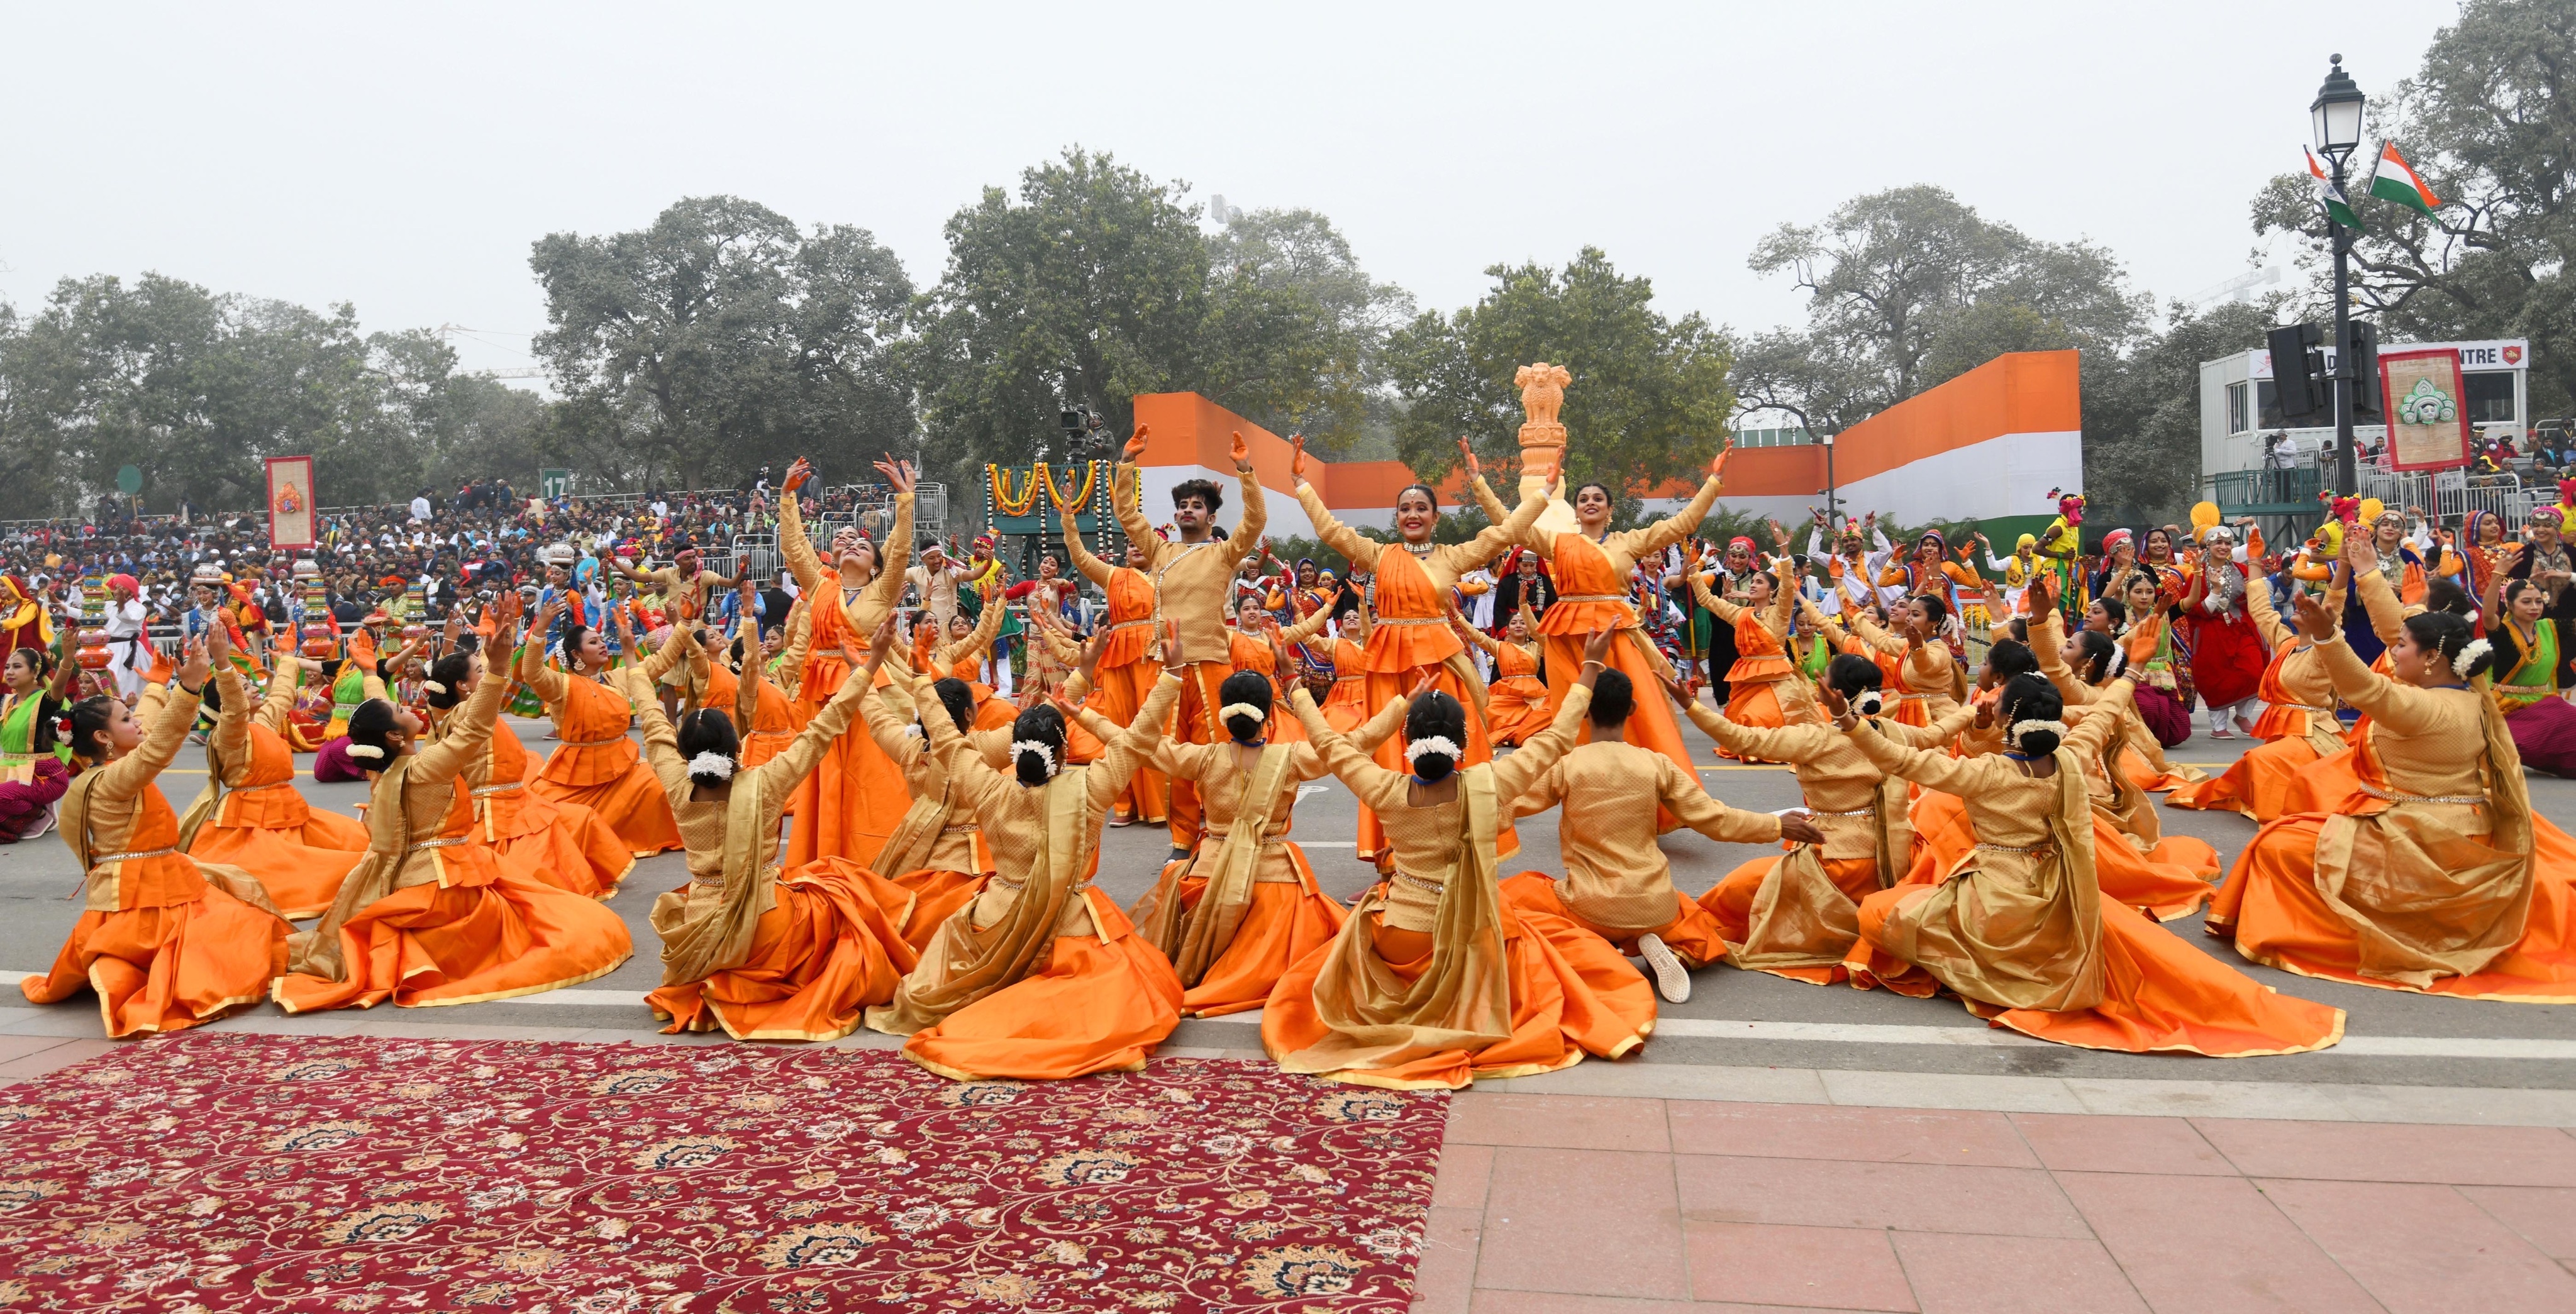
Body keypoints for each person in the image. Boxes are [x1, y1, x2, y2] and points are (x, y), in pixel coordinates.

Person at [1834, 671, 2346, 1054]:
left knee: (1878, 913)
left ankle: (1983, 973)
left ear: (2009, 719)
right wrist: (2127, 677)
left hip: (1994, 899)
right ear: (2056, 720)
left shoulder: (1986, 773)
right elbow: (2102, 716)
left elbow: (1902, 760)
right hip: (2060, 892)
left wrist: (1850, 723)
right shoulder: (2071, 759)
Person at [1265, 630, 1655, 1089]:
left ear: (1407, 739)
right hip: (1468, 936)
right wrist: (1589, 666)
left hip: (1401, 938)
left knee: (1338, 949)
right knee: (1544, 941)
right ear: (1465, 739)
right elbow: (1557, 736)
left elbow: (1331, 744)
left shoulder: (1385, 790)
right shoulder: (1489, 783)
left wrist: (1292, 680)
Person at [2218, 553, 2576, 1002]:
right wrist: (2369, 580)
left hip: (2417, 835)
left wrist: (2330, 636)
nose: (2393, 650)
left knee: (2278, 847)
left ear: (2430, 659)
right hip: (2446, 825)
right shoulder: (2472, 699)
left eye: (2402, 646)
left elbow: (2362, 688)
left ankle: (2332, 938)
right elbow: (2393, 645)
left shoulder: (2421, 707)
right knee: (2297, 822)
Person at [274, 607, 635, 1012]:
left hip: (414, 873)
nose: (410, 707)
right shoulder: (428, 765)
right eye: (401, 711)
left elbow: (378, 700)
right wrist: (498, 671)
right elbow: (475, 729)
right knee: (559, 924)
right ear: (395, 735)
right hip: (443, 881)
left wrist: (375, 671)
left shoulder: (384, 768)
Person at [863, 634, 1185, 1081]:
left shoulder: (986, 785)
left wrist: (921, 680)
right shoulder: (1089, 791)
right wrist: (1170, 677)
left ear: (1010, 753)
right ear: (1065, 752)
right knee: (1145, 982)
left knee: (945, 950)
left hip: (994, 921)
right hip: (1068, 923)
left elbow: (947, 739)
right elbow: (1137, 739)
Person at [636, 617, 919, 1041]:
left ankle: (721, 982)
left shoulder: (676, 782)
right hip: (765, 923)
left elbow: (651, 716)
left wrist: (632, 657)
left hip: (700, 930)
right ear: (738, 745)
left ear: (682, 751)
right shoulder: (766, 782)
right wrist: (872, 660)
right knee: (840, 889)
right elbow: (828, 725)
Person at [24, 632, 292, 1035]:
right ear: (103, 738)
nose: (137, 723)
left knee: (251, 923)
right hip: (143, 894)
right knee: (234, 941)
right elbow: (161, 746)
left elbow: (151, 725)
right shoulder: (114, 778)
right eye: (126, 720)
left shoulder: (113, 768)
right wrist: (187, 687)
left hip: (168, 878)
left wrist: (155, 685)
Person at [1501, 665, 1821, 1003]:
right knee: (1692, 915)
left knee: (1515, 896)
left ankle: (1597, 950)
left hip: (1589, 903)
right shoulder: (1656, 764)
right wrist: (1776, 825)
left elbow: (1508, 803)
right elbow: (1715, 819)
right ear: (1633, 710)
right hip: (1654, 904)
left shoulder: (1567, 764)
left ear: (1583, 713)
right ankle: (1673, 951)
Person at [1295, 437, 1548, 861]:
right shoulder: (1379, 554)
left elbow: (1507, 531)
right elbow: (1330, 530)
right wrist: (1301, 483)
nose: (1413, 514)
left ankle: (1460, 850)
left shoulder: (1452, 556)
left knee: (1455, 750)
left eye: (1421, 508)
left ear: (1435, 517)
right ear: (1397, 517)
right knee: (1391, 759)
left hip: (1441, 665)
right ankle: (1394, 859)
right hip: (1389, 668)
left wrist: (1505, 486)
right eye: (1405, 509)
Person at [1670, 656, 1976, 985]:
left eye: (1824, 678)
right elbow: (1936, 734)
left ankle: (1685, 950)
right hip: (1891, 863)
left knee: (1733, 894)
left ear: (1834, 693)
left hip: (1833, 862)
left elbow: (1742, 739)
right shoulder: (1891, 731)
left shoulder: (1816, 738)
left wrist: (1690, 705)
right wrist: (1975, 710)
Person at [1468, 438, 1725, 791]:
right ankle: (1583, 785)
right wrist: (1479, 483)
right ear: (1575, 510)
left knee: (1636, 708)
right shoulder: (1559, 543)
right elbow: (1510, 524)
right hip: (1568, 638)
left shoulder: (1629, 541)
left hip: (1614, 634)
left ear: (1610, 509)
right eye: (1583, 499)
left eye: (1597, 499)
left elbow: (1682, 523)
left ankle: (1641, 785)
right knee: (1573, 713)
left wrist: (1713, 482)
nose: (1590, 503)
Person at [1125, 654, 1352, 1017]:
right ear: (1269, 712)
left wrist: (1168, 678)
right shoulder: (1292, 758)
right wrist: (1294, 682)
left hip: (1208, 877)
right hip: (1275, 882)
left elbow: (1135, 740)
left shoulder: (1201, 758)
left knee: (1175, 885)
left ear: (1224, 711)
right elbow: (1342, 745)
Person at [1108, 428, 1265, 853]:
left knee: (1217, 757)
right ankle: (1181, 842)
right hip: (1168, 670)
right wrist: (1127, 461)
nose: (1188, 510)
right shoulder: (1160, 553)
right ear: (1176, 516)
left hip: (1212, 664)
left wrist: (1245, 471)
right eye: (1182, 505)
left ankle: (1222, 834)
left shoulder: (1224, 553)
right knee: (1174, 760)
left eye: (1197, 505)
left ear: (1211, 517)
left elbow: (1255, 522)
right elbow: (1126, 513)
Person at [774, 456, 917, 868]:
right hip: (822, 692)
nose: (854, 546)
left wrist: (904, 499)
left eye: (864, 546)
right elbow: (795, 546)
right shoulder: (818, 585)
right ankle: (827, 855)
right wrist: (787, 497)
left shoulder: (882, 591)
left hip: (872, 691)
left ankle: (879, 855)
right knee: (828, 776)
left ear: (876, 566)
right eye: (848, 544)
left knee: (873, 774)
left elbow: (902, 547)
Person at [177, 648, 371, 919]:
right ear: (227, 702)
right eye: (245, 688)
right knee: (281, 873)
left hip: (291, 810)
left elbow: (281, 696)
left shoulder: (262, 721)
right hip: (251, 820)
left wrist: (289, 661)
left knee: (361, 844)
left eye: (249, 684)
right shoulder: (231, 734)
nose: (254, 688)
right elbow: (234, 707)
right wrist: (222, 664)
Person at [2167, 571, 2350, 821]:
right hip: (2287, 733)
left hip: (2313, 735)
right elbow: (2262, 611)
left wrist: (2344, 564)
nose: (2301, 605)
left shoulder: (2325, 653)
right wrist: (2254, 562)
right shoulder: (2288, 644)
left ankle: (2278, 815)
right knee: (2251, 763)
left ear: (2324, 621)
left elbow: (2336, 606)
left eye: (2311, 606)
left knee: (2262, 759)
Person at [524, 595, 686, 858]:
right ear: (576, 654)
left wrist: (684, 623)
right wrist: (540, 629)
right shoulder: (561, 685)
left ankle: (637, 835)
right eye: (593, 642)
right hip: (575, 778)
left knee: (663, 785)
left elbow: (663, 661)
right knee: (550, 821)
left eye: (601, 640)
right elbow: (532, 672)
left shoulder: (619, 677)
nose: (602, 645)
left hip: (625, 769)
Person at [1062, 497, 1165, 827]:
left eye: (1142, 541)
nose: (1135, 546)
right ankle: (1126, 803)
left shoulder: (1168, 575)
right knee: (1119, 727)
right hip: (1118, 652)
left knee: (1153, 726)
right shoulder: (1113, 575)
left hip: (1154, 651)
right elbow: (1078, 556)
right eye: (1130, 543)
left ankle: (1162, 802)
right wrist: (1068, 518)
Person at [2481, 573, 2576, 775]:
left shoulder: (2550, 628)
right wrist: (2497, 574)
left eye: (2539, 601)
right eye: (2526, 602)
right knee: (2524, 743)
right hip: (2507, 707)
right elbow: (2488, 615)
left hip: (2544, 703)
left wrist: (2569, 576)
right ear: (2510, 604)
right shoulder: (2502, 632)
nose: (2534, 607)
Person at [2185, 521, 2268, 739]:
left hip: (2241, 628)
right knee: (2217, 677)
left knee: (2255, 671)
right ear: (2208, 546)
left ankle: (2242, 715)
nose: (2223, 546)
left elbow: (2257, 594)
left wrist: (2253, 590)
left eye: (2227, 543)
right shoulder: (2197, 573)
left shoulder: (2241, 570)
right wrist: (2216, 591)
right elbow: (2196, 608)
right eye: (2218, 542)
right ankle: (2218, 726)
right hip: (2211, 631)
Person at [0, 631, 77, 843]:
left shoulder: (44, 700)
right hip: (9, 771)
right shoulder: (6, 702)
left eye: (17, 666)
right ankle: (25, 810)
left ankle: (39, 814)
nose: (10, 672)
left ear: (35, 671)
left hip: (44, 776)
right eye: (7, 667)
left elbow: (59, 686)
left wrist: (68, 659)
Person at [1447, 602, 1549, 746]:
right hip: (1506, 696)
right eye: (1514, 623)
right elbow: (1475, 635)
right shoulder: (1498, 646)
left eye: (1523, 623)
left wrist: (1524, 605)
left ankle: (1521, 733)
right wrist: (1458, 616)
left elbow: (1543, 635)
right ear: (1507, 629)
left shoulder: (1537, 647)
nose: (1518, 626)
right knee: (1487, 710)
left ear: (1529, 629)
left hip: (1534, 697)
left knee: (1548, 713)